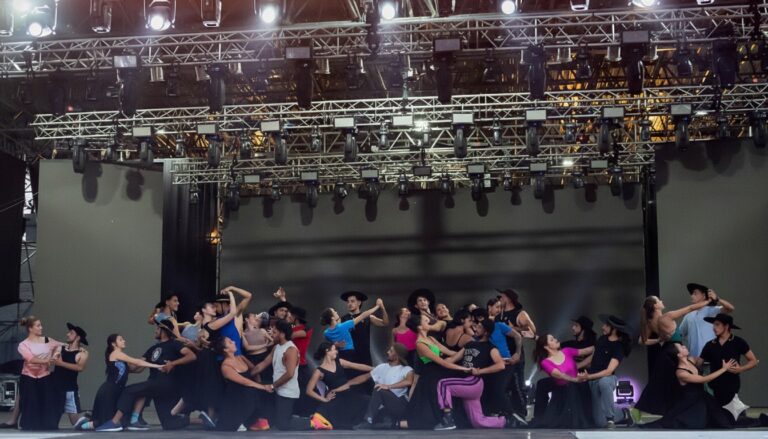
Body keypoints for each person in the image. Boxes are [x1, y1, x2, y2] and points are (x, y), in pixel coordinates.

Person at [95, 319, 197, 432]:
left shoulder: (175, 344)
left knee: (129, 390)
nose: (155, 331)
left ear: (164, 330)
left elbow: (191, 356)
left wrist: (172, 363)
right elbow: (137, 368)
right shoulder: (152, 349)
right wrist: (117, 366)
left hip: (166, 382)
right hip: (155, 385)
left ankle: (115, 422)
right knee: (169, 423)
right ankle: (201, 420)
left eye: (157, 328)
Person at [635, 294, 710, 416]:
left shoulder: (650, 322)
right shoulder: (667, 316)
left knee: (661, 383)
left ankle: (643, 409)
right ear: (655, 306)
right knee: (687, 379)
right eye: (659, 300)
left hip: (666, 352)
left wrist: (658, 340)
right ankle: (694, 409)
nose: (661, 301)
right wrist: (707, 302)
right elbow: (690, 308)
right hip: (676, 351)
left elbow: (642, 341)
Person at [434, 318, 513, 430]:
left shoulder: (490, 347)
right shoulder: (470, 344)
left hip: (474, 382)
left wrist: (480, 371)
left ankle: (448, 420)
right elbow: (453, 359)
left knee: (443, 384)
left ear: (486, 332)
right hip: (466, 384)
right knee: (477, 422)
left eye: (479, 327)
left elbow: (501, 365)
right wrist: (437, 360)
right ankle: (505, 421)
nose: (475, 329)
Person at [78, 334, 163, 430]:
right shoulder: (116, 353)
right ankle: (82, 424)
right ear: (114, 344)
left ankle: (85, 423)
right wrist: (158, 366)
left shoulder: (121, 358)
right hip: (109, 391)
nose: (124, 341)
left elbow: (135, 369)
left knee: (108, 421)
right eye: (120, 340)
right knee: (103, 421)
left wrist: (148, 359)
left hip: (116, 391)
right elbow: (137, 362)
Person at [643, 342, 737, 429]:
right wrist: (724, 369)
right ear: (679, 355)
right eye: (681, 347)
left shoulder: (692, 360)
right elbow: (704, 379)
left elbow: (705, 358)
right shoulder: (681, 373)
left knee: (723, 419)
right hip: (690, 403)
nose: (684, 346)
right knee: (694, 423)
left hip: (702, 398)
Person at [404, 313, 470, 430]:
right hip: (431, 377)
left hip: (440, 372)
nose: (429, 323)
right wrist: (463, 368)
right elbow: (442, 362)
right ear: (420, 327)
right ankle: (447, 420)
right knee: (428, 418)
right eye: (426, 321)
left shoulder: (431, 339)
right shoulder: (420, 344)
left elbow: (451, 353)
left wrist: (469, 349)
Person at [698, 313, 760, 423]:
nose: (714, 328)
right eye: (714, 325)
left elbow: (753, 361)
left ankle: (745, 417)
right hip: (714, 386)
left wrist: (741, 369)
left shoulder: (738, 342)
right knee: (718, 418)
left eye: (717, 325)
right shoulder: (710, 345)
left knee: (732, 419)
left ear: (726, 326)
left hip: (731, 384)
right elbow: (699, 363)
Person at [251, 319, 312, 431]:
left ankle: (312, 422)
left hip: (287, 392)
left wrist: (273, 386)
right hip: (277, 389)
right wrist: (247, 376)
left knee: (283, 425)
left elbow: (290, 374)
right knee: (255, 390)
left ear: (282, 334)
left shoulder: (291, 350)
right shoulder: (276, 347)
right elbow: (263, 364)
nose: (271, 334)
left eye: (274, 332)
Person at [534, 315, 596, 418]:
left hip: (582, 375)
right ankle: (539, 417)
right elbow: (547, 344)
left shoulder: (590, 344)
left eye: (576, 325)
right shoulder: (569, 345)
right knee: (542, 384)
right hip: (565, 377)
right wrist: (534, 337)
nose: (573, 328)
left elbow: (590, 357)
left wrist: (577, 367)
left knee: (574, 386)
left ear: (583, 329)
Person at [579, 315, 633, 428]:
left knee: (604, 382)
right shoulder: (602, 340)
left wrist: (589, 376)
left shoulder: (619, 347)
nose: (603, 327)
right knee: (599, 422)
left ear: (614, 329)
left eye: (606, 325)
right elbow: (592, 357)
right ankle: (624, 413)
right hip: (593, 381)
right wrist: (576, 366)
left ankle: (610, 419)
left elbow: (609, 371)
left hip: (607, 379)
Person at [530, 334, 593, 428]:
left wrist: (599, 347)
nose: (556, 339)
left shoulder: (566, 351)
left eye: (554, 338)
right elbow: (560, 375)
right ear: (546, 346)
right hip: (563, 391)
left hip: (577, 387)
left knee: (579, 387)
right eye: (552, 340)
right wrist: (575, 379)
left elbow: (587, 350)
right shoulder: (546, 362)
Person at [306, 342, 373, 429]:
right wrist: (323, 399)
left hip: (349, 393)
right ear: (327, 351)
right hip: (336, 396)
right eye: (334, 349)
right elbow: (309, 391)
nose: (336, 352)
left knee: (368, 400)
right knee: (324, 419)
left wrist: (374, 368)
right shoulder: (319, 371)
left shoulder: (339, 362)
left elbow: (357, 366)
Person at [212, 337, 273, 431]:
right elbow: (244, 381)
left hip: (249, 389)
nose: (233, 342)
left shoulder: (241, 357)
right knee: (253, 391)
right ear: (225, 349)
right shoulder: (226, 366)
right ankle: (243, 421)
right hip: (238, 397)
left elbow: (254, 370)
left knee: (267, 388)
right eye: (230, 342)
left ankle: (261, 419)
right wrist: (263, 387)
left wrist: (261, 383)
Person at [496, 289, 536, 421]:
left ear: (508, 298)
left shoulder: (519, 314)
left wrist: (514, 328)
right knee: (503, 386)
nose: (499, 299)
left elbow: (532, 333)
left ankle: (521, 414)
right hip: (501, 356)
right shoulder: (498, 316)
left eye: (501, 297)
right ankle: (507, 414)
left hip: (515, 355)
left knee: (518, 385)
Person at [354, 343, 415, 430]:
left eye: (391, 351)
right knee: (366, 398)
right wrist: (348, 384)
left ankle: (368, 420)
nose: (387, 352)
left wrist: (389, 386)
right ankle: (387, 423)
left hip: (400, 404)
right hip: (385, 405)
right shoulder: (382, 367)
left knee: (379, 389)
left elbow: (409, 381)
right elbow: (365, 377)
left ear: (397, 356)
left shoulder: (407, 369)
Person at [17, 316, 61, 431]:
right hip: (29, 376)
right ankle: (30, 424)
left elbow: (59, 345)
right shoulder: (23, 344)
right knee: (31, 400)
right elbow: (30, 359)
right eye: (38, 326)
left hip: (44, 375)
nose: (41, 327)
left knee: (47, 400)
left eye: (41, 325)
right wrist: (47, 360)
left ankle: (47, 424)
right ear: (30, 328)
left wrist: (55, 354)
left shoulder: (46, 340)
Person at [679, 283, 734, 359]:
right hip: (693, 358)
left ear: (704, 295)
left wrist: (717, 299)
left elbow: (730, 308)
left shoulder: (713, 310)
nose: (692, 296)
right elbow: (680, 334)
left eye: (695, 293)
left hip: (711, 357)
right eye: (691, 294)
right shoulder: (688, 316)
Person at [51, 322, 90, 429]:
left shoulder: (83, 353)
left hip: (70, 390)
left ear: (78, 337)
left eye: (71, 333)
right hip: (55, 388)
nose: (67, 334)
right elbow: (54, 358)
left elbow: (80, 368)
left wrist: (61, 363)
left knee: (75, 422)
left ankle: (92, 420)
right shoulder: (60, 348)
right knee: (52, 421)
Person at [340, 291, 389, 366]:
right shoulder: (343, 319)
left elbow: (385, 323)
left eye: (352, 301)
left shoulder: (368, 317)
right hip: (349, 356)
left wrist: (382, 308)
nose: (349, 304)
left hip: (364, 356)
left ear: (359, 302)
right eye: (348, 302)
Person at [286, 306, 315, 416]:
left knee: (297, 391)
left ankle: (298, 413)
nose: (289, 316)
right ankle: (304, 413)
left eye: (291, 315)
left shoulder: (294, 331)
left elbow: (287, 336)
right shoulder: (307, 329)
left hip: (296, 366)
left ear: (295, 317)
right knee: (304, 390)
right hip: (301, 365)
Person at [212, 286, 252, 356]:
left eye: (217, 306)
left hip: (235, 354)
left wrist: (232, 288)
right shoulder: (215, 319)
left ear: (224, 304)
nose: (215, 309)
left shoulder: (234, 314)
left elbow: (249, 296)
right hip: (222, 355)